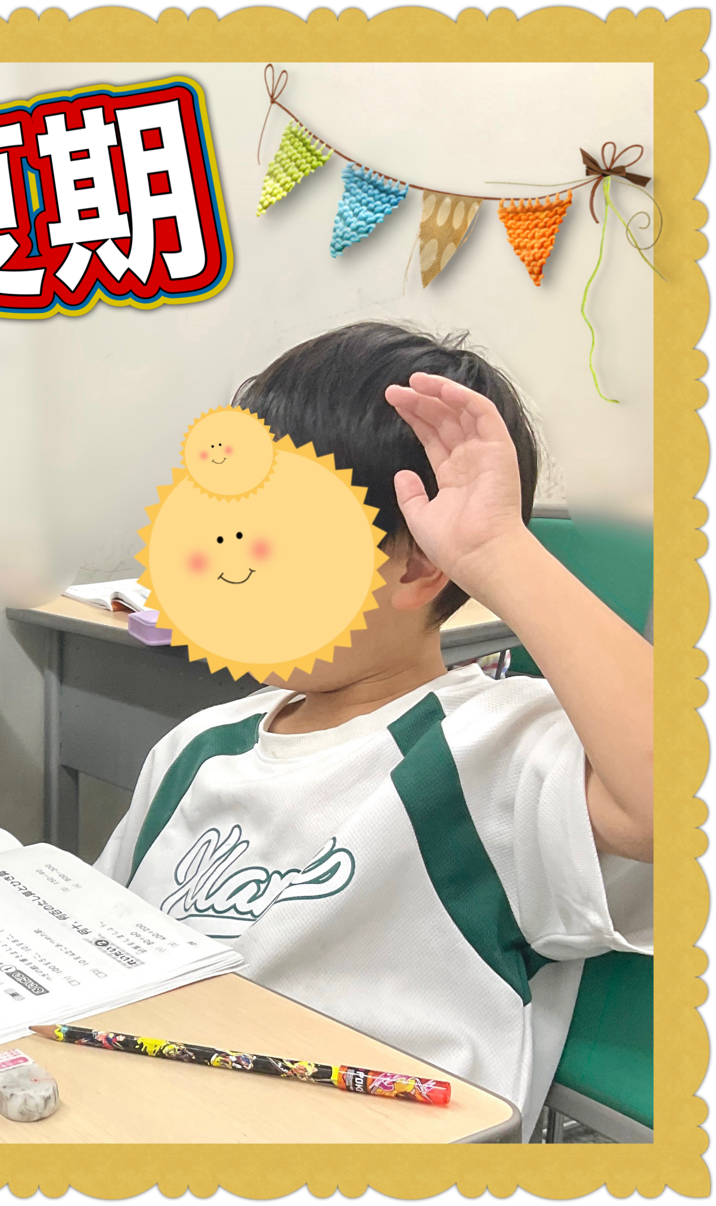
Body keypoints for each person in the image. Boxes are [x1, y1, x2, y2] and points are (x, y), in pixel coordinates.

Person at [92, 323, 653, 1137]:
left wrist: (498, 550)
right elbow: (99, 949)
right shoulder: (198, 747)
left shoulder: (493, 747)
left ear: (417, 563)